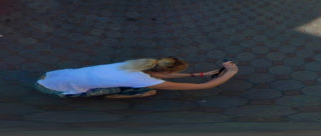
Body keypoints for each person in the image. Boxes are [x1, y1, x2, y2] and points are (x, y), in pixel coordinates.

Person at [36, 57, 239, 99]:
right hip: (58, 89)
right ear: (164, 71)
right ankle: (125, 96)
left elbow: (160, 74)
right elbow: (204, 88)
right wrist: (229, 73)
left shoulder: (141, 64)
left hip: (56, 76)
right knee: (147, 91)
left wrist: (199, 74)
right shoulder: (145, 80)